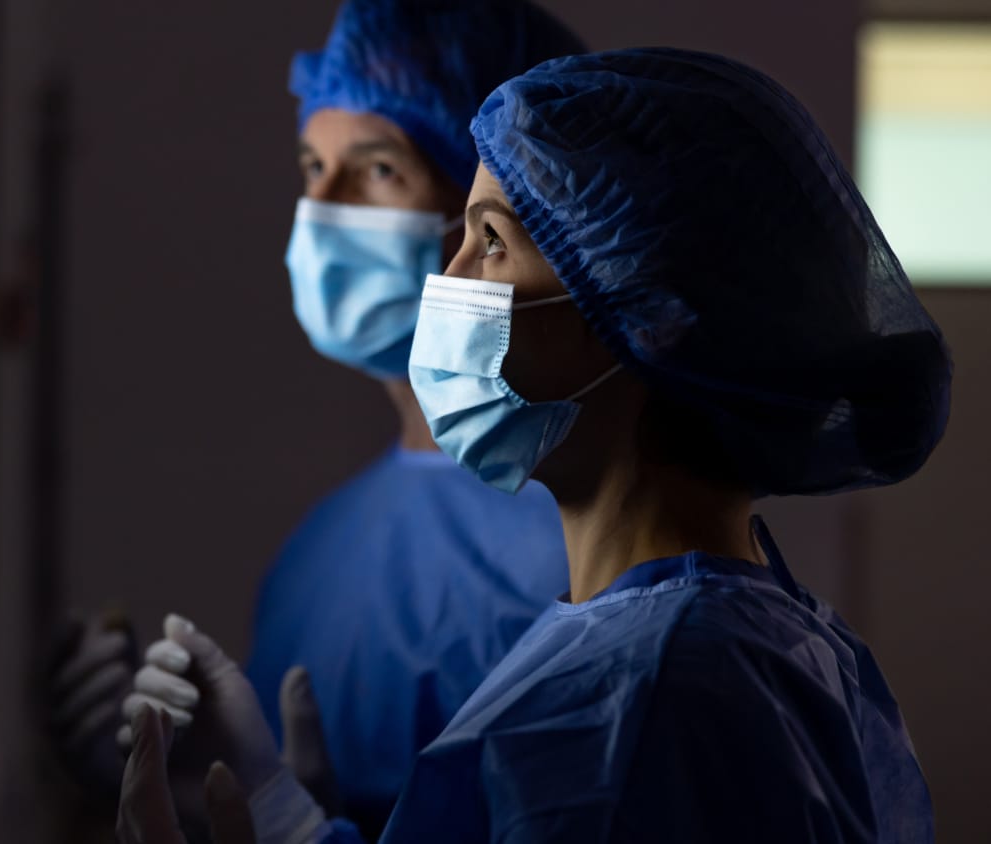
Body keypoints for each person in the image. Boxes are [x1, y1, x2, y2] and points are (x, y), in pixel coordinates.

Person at [118, 47, 951, 843]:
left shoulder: (648, 703)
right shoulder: (738, 640)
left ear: (648, 317)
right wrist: (280, 813)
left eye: (490, 242)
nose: (447, 280)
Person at [53, 1, 584, 837]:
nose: (322, 209)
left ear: (495, 205)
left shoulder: (578, 547)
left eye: (377, 171)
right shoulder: (318, 549)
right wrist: (165, 778)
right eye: (311, 165)